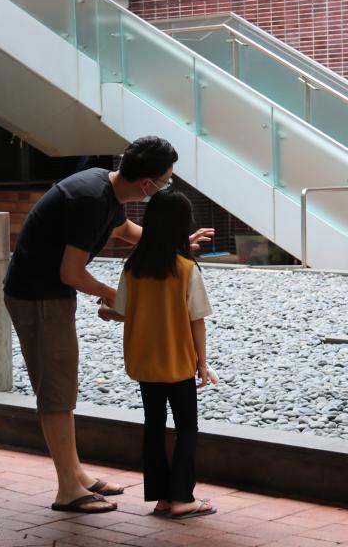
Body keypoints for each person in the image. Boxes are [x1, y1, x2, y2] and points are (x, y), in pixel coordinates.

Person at [2, 136, 213, 514]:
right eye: (164, 181)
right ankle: (68, 488)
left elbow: (128, 232)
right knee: (56, 389)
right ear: (147, 184)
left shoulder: (104, 186)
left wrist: (172, 241)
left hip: (48, 294)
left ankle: (77, 474)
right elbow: (71, 272)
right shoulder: (90, 200)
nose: (165, 187)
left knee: (63, 385)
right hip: (37, 297)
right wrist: (118, 297)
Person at [100, 189, 219, 519]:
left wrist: (106, 312)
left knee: (153, 426)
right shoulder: (184, 269)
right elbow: (197, 320)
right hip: (177, 364)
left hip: (144, 364)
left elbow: (122, 311)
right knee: (186, 428)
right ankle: (183, 497)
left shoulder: (133, 268)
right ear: (182, 228)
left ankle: (162, 497)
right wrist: (203, 364)